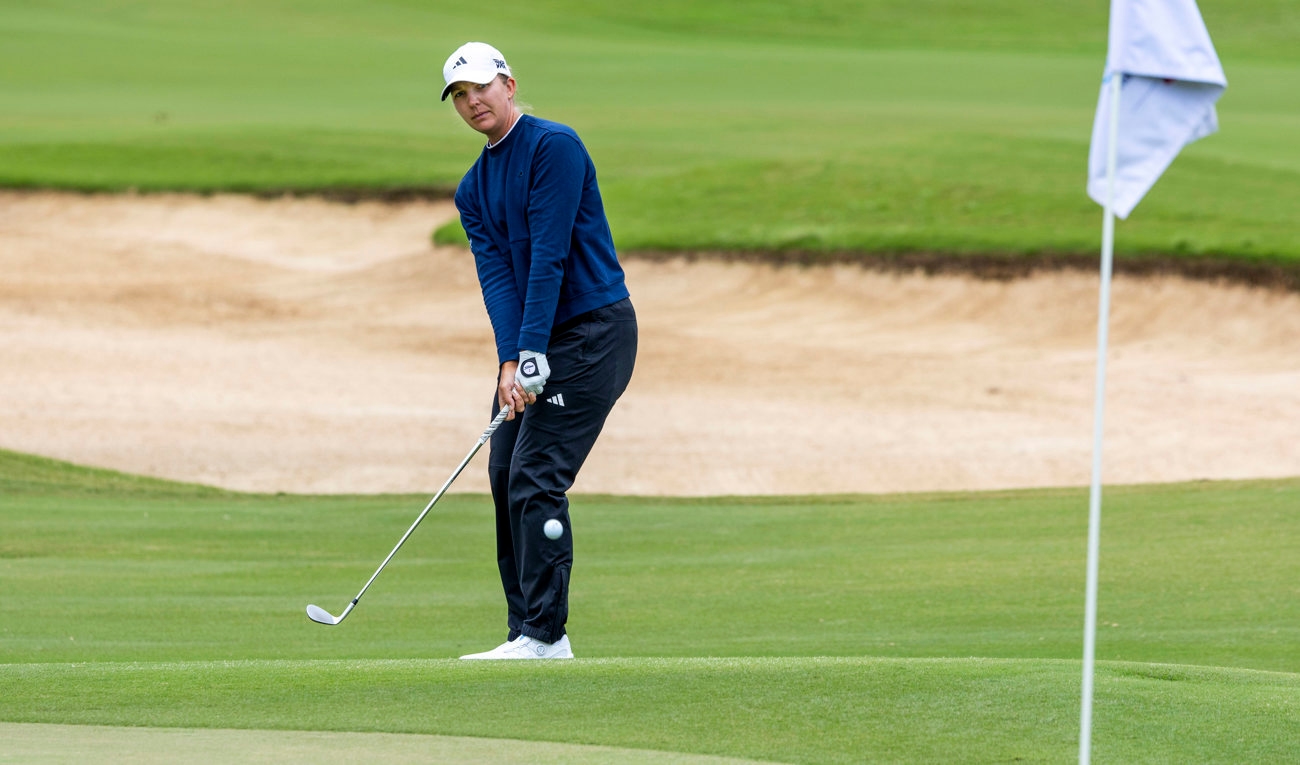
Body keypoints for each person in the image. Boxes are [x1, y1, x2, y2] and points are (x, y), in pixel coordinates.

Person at [441, 42, 637, 660]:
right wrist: (510, 360)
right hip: (535, 340)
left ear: (508, 84)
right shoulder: (472, 189)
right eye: (459, 95)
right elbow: (499, 279)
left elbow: (549, 254)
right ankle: (523, 632)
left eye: (480, 87)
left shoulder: (555, 146)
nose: (472, 102)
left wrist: (531, 352)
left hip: (592, 331)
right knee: (505, 472)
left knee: (536, 474)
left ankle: (546, 635)